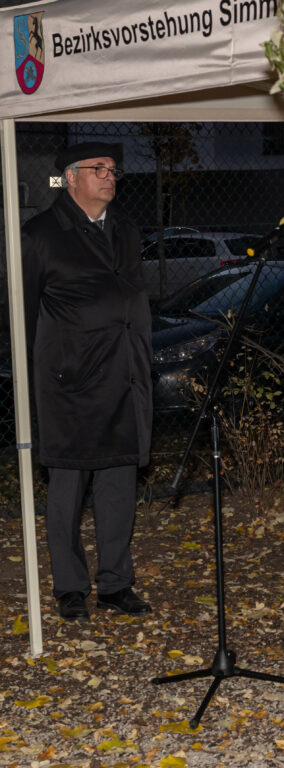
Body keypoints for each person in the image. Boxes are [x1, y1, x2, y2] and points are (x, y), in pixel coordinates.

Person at [22, 141, 153, 621]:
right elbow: (23, 314)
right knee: (68, 488)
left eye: (113, 169)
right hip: (69, 384)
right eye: (98, 169)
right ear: (70, 178)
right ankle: (70, 587)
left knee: (119, 482)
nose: (109, 176)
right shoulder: (39, 235)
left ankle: (116, 583)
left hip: (124, 378)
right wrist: (54, 364)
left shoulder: (127, 231)